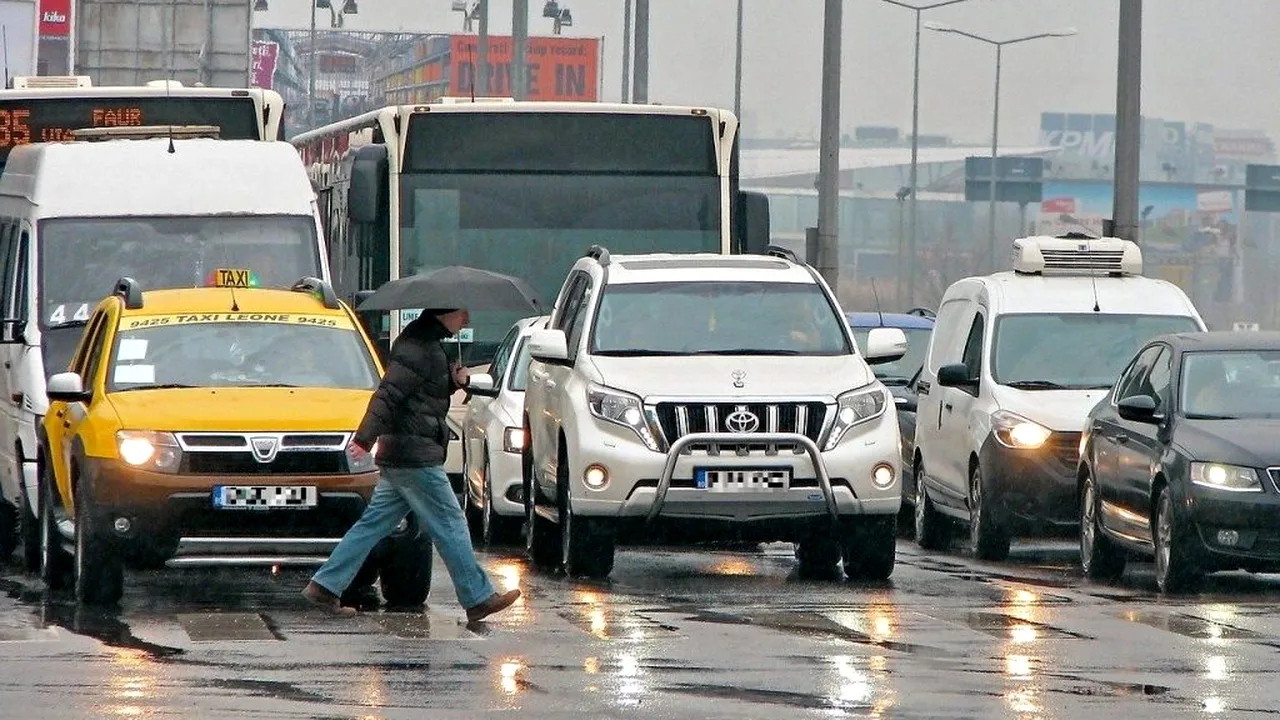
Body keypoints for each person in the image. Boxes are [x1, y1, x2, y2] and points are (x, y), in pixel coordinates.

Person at [302, 308, 522, 621]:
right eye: (463, 314)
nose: (467, 321)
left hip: (404, 453)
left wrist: (454, 382)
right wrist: (364, 438)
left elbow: (418, 394)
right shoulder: (419, 348)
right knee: (451, 523)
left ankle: (324, 587)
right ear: (445, 313)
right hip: (414, 455)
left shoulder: (425, 344)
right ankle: (477, 597)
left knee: (372, 525)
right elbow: (388, 395)